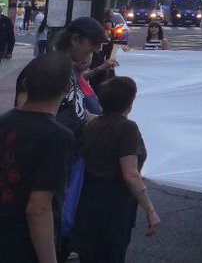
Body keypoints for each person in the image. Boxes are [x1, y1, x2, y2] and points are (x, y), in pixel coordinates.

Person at [73, 76, 161, 261]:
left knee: (89, 254)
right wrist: (150, 210)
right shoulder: (127, 128)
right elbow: (130, 175)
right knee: (111, 254)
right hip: (114, 203)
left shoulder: (93, 125)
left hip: (88, 199)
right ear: (129, 103)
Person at [0, 53, 76, 263]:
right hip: (23, 244)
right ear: (68, 87)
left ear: (25, 83)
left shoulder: (4, 121)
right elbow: (39, 208)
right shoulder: (58, 137)